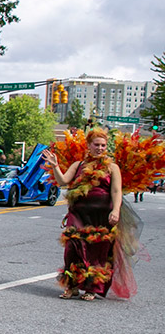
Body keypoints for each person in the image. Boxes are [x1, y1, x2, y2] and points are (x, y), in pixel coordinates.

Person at [43, 128, 122, 300]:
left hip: (101, 217)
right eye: (96, 145)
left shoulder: (112, 167)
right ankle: (71, 287)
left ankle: (91, 288)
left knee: (96, 252)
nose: (100, 148)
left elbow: (116, 191)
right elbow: (63, 181)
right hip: (78, 215)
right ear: (88, 145)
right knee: (72, 249)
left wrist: (115, 210)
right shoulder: (78, 165)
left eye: (103, 145)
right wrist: (55, 166)